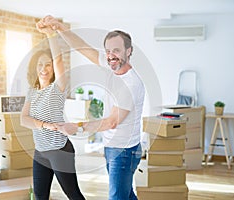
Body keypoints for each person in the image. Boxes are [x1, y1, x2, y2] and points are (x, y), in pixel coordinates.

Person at [37, 15, 145, 200]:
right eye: (108, 50)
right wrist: (60, 27)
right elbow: (82, 48)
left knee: (118, 197)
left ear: (129, 51)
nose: (111, 55)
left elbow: (111, 122)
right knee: (126, 194)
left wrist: (77, 127)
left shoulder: (131, 84)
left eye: (116, 50)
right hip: (113, 147)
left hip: (124, 151)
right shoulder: (113, 66)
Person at [20, 23, 85, 200]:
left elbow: (59, 60)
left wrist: (51, 36)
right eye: (40, 64)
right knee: (40, 196)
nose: (44, 68)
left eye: (48, 65)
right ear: (34, 67)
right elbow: (24, 119)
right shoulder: (32, 92)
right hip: (40, 151)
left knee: (73, 194)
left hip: (59, 150)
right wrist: (46, 125)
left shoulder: (57, 88)